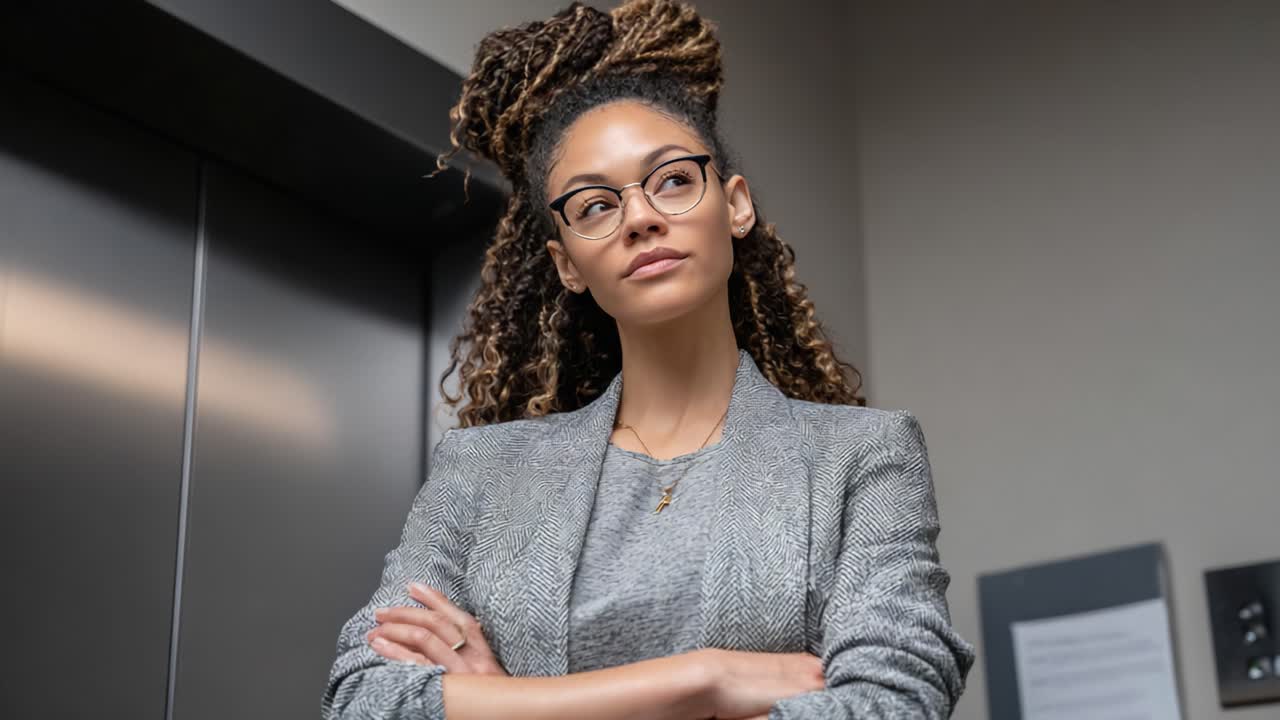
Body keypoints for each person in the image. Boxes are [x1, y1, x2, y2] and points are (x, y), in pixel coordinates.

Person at [322, 1, 975, 718]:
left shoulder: (863, 457)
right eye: (595, 205)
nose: (639, 217)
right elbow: (362, 699)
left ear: (735, 205)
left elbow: (892, 705)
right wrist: (703, 680)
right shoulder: (479, 474)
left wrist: (507, 704)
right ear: (566, 263)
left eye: (671, 179)